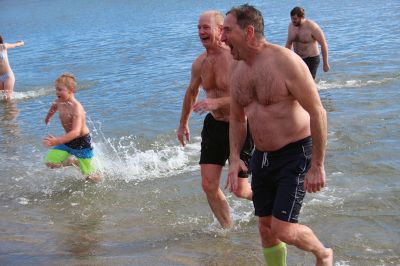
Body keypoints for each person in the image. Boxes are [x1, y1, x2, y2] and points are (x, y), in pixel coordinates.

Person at [222, 4, 333, 265]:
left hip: (296, 151)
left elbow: (318, 112)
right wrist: (235, 157)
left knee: (283, 229)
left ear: (248, 32)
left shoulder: (286, 62)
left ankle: (323, 253)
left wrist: (317, 165)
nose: (222, 37)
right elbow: (238, 118)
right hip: (263, 156)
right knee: (266, 228)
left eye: (227, 30)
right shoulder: (236, 70)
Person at [177, 10, 253, 229]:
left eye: (205, 27)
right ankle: (228, 229)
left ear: (221, 30)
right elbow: (191, 93)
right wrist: (183, 123)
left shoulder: (236, 59)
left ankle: (273, 205)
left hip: (240, 126)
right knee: (208, 185)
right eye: (199, 28)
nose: (201, 32)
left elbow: (249, 96)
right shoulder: (200, 64)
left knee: (241, 190)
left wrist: (217, 103)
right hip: (214, 127)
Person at [43, 73, 100, 182]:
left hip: (82, 143)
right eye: (56, 89)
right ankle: (72, 162)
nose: (57, 92)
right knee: (50, 162)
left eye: (60, 90)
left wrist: (57, 141)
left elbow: (76, 132)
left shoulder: (77, 108)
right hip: (68, 140)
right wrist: (48, 117)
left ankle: (88, 169)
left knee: (92, 178)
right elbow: (53, 107)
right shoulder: (59, 101)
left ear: (71, 90)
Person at [285, 7, 330, 79]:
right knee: (297, 80)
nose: (293, 21)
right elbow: (288, 44)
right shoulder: (291, 26)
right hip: (298, 58)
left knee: (308, 81)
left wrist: (325, 63)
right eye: (292, 19)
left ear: (302, 17)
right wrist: (286, 60)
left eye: (295, 19)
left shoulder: (312, 27)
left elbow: (323, 44)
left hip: (311, 59)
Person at [0, 36, 24, 100]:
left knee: (7, 98)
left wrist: (20, 43)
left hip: (7, 76)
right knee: (3, 98)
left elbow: (14, 45)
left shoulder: (3, 46)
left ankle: (12, 109)